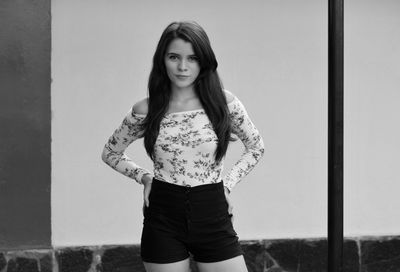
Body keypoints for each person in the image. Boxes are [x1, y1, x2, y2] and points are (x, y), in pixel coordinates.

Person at [101, 21, 265, 272]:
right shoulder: (146, 110)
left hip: (212, 211)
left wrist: (228, 185)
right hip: (163, 213)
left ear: (204, 61)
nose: (182, 67)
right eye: (174, 57)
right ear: (162, 60)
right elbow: (110, 152)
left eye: (192, 58)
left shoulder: (223, 104)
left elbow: (256, 147)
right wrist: (144, 177)